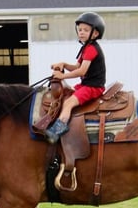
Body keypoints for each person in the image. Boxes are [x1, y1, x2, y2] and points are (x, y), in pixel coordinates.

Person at [44, 12, 107, 144]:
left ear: (95, 34)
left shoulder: (92, 49)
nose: (81, 32)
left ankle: (57, 131)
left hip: (93, 87)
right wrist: (64, 64)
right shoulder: (85, 48)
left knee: (68, 103)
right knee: (65, 95)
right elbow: (76, 66)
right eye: (79, 30)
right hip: (86, 84)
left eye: (85, 30)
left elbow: (81, 71)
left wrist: (62, 76)